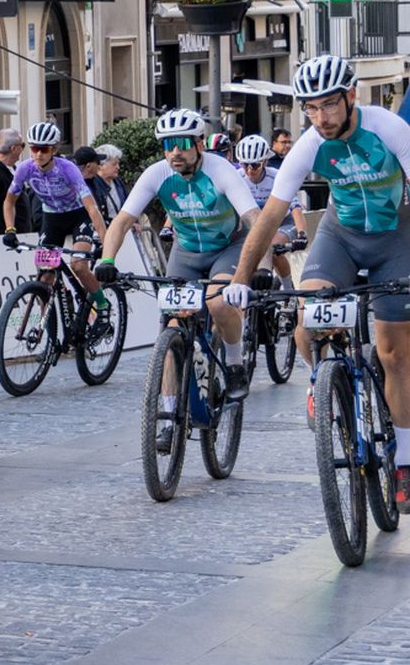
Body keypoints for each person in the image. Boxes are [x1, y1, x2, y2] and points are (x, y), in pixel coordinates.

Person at [223, 56, 410, 511]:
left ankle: (405, 460)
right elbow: (270, 215)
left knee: (396, 354)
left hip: (395, 236)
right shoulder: (309, 145)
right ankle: (320, 381)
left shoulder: (388, 128)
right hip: (340, 236)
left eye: (328, 105)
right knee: (308, 318)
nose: (320, 118)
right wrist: (242, 278)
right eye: (310, 108)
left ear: (351, 97)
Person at [96, 110, 260, 450]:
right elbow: (122, 220)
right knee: (170, 328)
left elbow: (253, 217)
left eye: (183, 144)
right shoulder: (157, 174)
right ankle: (170, 417)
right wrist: (107, 260)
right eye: (168, 145)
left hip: (227, 247)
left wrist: (260, 266)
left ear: (199, 144)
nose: (175, 152)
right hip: (186, 253)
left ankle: (233, 363)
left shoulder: (220, 170)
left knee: (218, 302)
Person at [3, 122, 108, 308]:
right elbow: (9, 202)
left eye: (44, 149)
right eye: (34, 148)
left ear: (54, 149)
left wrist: (103, 241)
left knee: (78, 265)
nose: (38, 154)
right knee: (44, 277)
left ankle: (102, 305)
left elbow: (92, 207)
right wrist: (10, 229)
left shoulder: (68, 168)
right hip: (52, 219)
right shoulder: (24, 169)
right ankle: (48, 322)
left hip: (78, 215)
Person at [235, 134, 307, 285]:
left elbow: (295, 207)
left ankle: (288, 288)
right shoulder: (237, 178)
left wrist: (302, 234)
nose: (249, 170)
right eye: (244, 165)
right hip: (255, 225)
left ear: (265, 161)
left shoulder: (277, 177)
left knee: (270, 247)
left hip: (283, 222)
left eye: (255, 165)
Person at [0, 129, 27, 235]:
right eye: (22, 145)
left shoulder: (13, 168)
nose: (23, 149)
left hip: (22, 233)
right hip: (5, 235)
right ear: (13, 148)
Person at [89, 144, 129, 225]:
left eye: (118, 164)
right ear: (100, 165)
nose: (118, 167)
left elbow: (128, 204)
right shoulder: (93, 185)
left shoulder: (117, 182)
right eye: (114, 164)